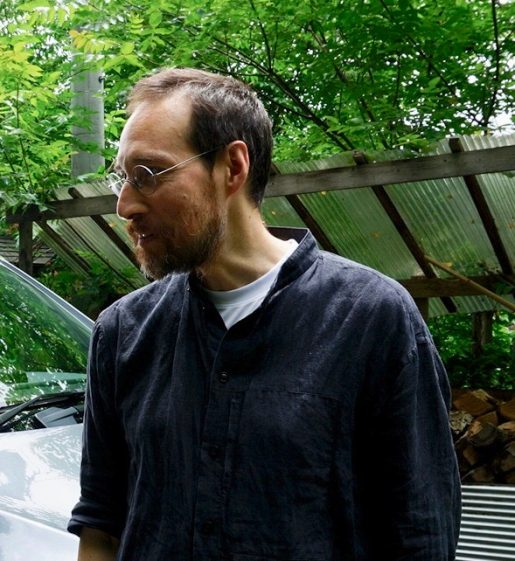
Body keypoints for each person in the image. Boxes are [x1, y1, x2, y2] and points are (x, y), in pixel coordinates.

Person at [68, 67, 461, 561]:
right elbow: (101, 527)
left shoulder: (372, 319)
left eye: (148, 175)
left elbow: (420, 535)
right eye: (122, 178)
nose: (125, 205)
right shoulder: (121, 332)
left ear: (232, 167)